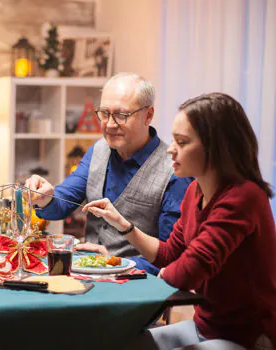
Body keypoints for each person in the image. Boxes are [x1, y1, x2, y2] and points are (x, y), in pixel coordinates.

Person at [83, 93, 276, 349]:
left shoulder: (243, 196)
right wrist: (123, 225)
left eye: (182, 142)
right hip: (206, 328)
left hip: (248, 337)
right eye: (173, 139)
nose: (171, 148)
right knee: (122, 343)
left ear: (216, 147)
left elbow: (192, 268)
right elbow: (170, 254)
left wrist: (168, 274)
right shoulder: (195, 193)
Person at [26, 73, 192, 274]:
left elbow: (171, 258)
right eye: (104, 113)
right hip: (88, 280)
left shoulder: (174, 172)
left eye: (121, 115)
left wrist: (113, 263)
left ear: (148, 115)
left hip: (139, 293)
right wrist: (44, 197)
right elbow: (61, 205)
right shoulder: (98, 150)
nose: (110, 124)